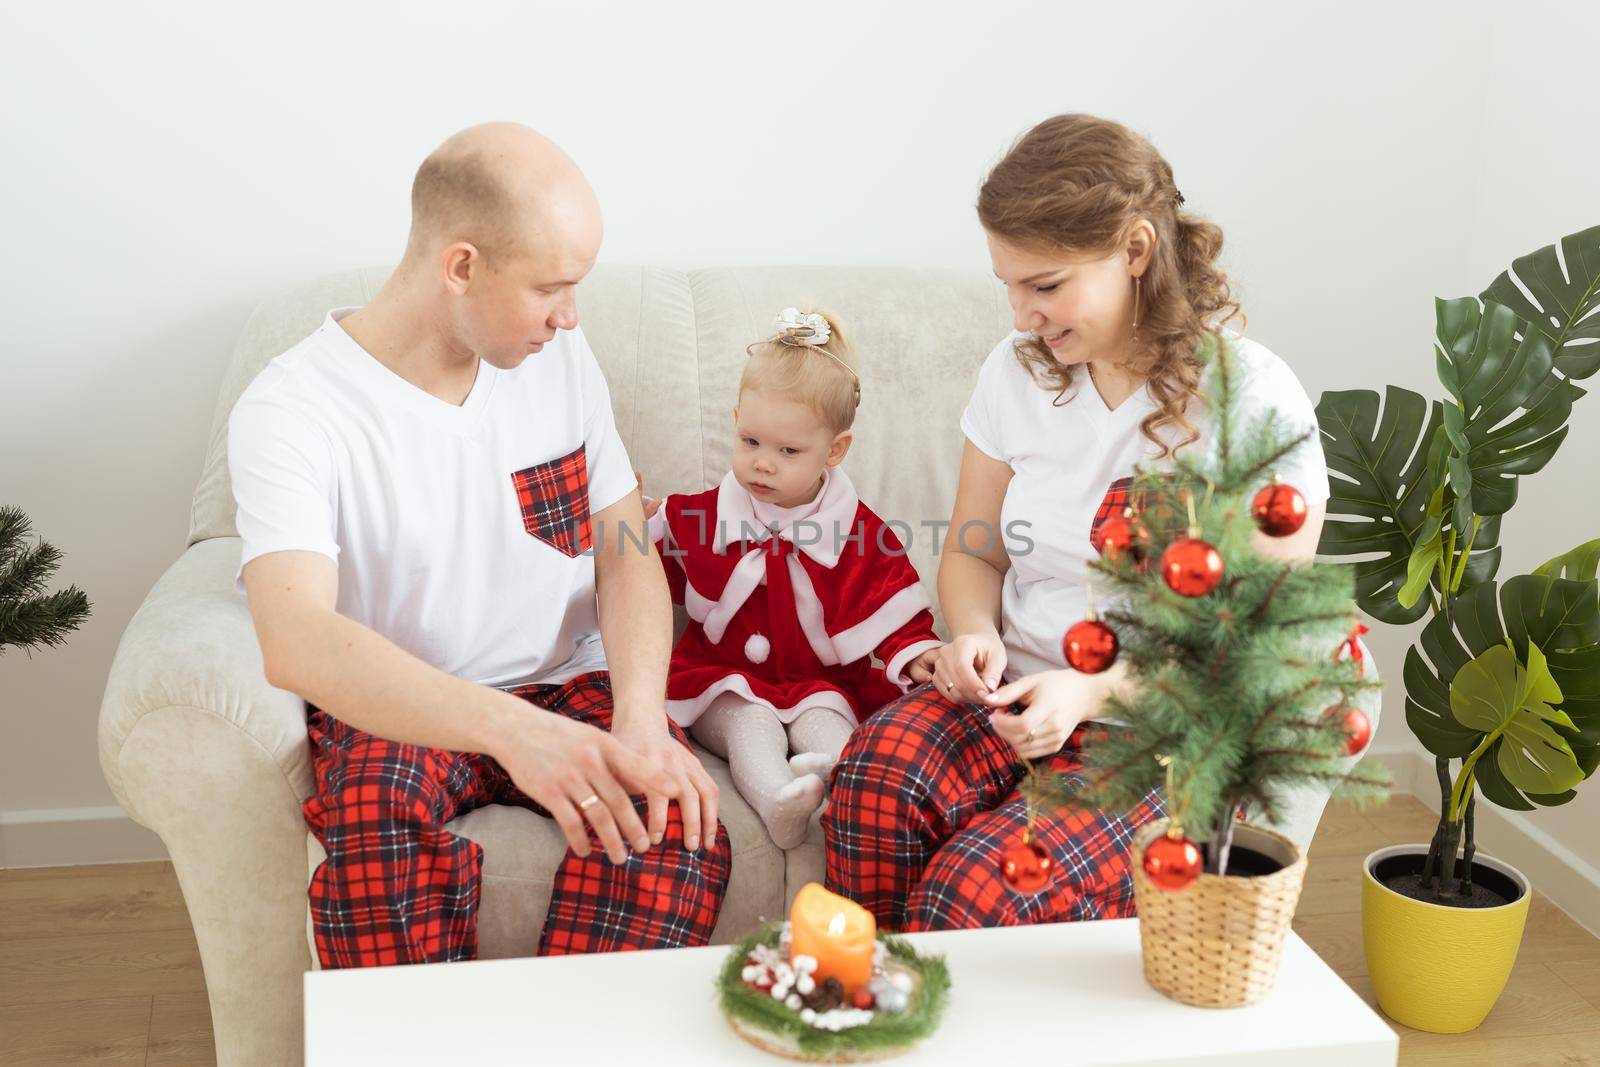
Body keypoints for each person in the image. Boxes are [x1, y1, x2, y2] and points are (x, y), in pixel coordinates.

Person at [229, 122, 728, 967]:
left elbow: (625, 550)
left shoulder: (560, 357)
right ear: (460, 267)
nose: (570, 317)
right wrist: (514, 734)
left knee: (677, 823)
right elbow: (297, 639)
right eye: (551, 288)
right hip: (411, 702)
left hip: (572, 685)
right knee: (372, 834)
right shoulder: (293, 410)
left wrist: (642, 718)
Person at [824, 114, 1331, 930]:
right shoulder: (1014, 374)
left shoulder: (1253, 403)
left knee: (976, 891)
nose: (1023, 314)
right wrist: (972, 631)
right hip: (1014, 694)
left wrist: (1091, 690)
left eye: (1047, 285)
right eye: (1010, 286)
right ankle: (876, 1009)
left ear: (1135, 251)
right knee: (873, 783)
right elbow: (973, 551)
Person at [643, 307, 943, 848]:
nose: (763, 464)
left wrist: (916, 653)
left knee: (830, 725)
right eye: (750, 442)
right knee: (750, 725)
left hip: (817, 683)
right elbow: (645, 574)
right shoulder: (699, 517)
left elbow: (888, 604)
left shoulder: (857, 532)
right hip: (720, 676)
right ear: (736, 419)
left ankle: (830, 783)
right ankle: (777, 802)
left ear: (835, 450)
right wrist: (630, 527)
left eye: (788, 452)